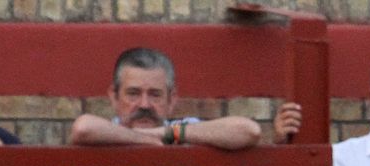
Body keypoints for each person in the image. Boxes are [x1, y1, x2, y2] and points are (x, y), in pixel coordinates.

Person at [69, 46, 300, 149]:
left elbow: (248, 131)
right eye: (133, 93)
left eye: (155, 94)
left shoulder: (184, 130)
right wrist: (148, 140)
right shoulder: (105, 132)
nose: (144, 104)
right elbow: (83, 128)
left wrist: (166, 135)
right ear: (113, 97)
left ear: (172, 100)